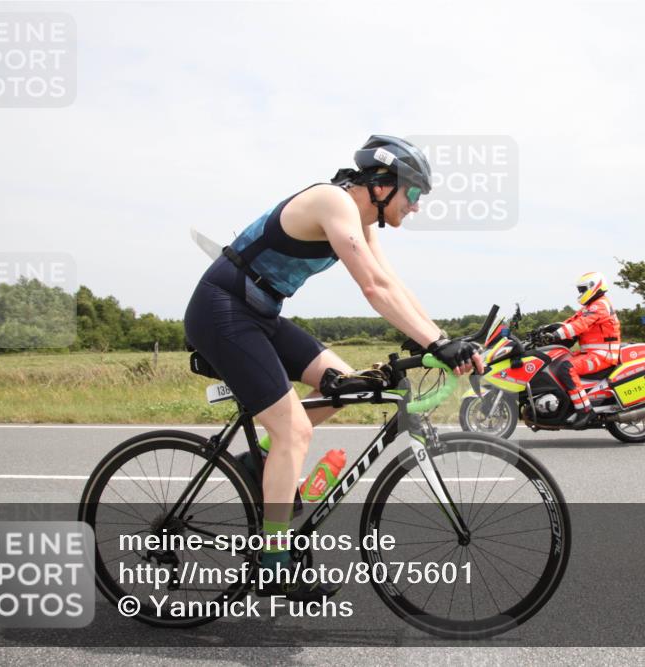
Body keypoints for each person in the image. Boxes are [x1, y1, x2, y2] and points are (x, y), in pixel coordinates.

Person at [183, 135, 483, 601]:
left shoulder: (363, 222)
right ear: (384, 184)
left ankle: (256, 463)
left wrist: (445, 340)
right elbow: (373, 289)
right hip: (222, 310)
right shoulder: (332, 201)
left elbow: (393, 285)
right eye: (416, 193)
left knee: (346, 385)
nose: (418, 206)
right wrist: (437, 343)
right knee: (294, 431)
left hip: (260, 314)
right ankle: (273, 560)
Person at [540, 272, 621, 413]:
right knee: (558, 361)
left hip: (603, 355)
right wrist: (546, 329)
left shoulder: (600, 305)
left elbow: (581, 324)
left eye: (583, 289)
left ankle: (584, 410)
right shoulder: (589, 307)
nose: (581, 293)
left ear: (593, 286)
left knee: (566, 368)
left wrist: (556, 335)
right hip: (591, 353)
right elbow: (571, 321)